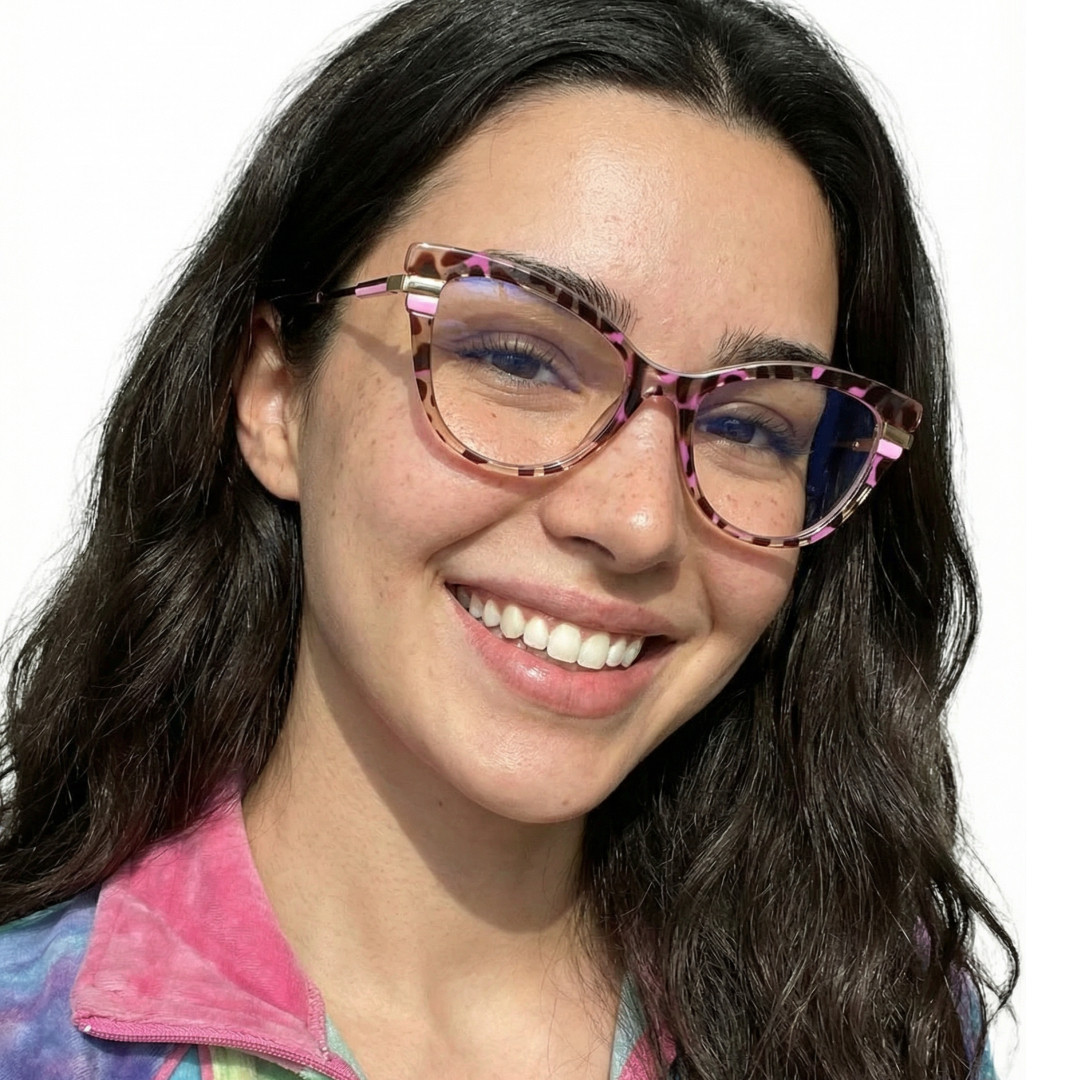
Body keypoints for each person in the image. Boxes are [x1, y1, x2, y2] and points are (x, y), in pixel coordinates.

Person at [0, 0, 1017, 1077]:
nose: (634, 521)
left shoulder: (879, 1026)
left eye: (752, 425)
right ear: (273, 395)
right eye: (521, 360)